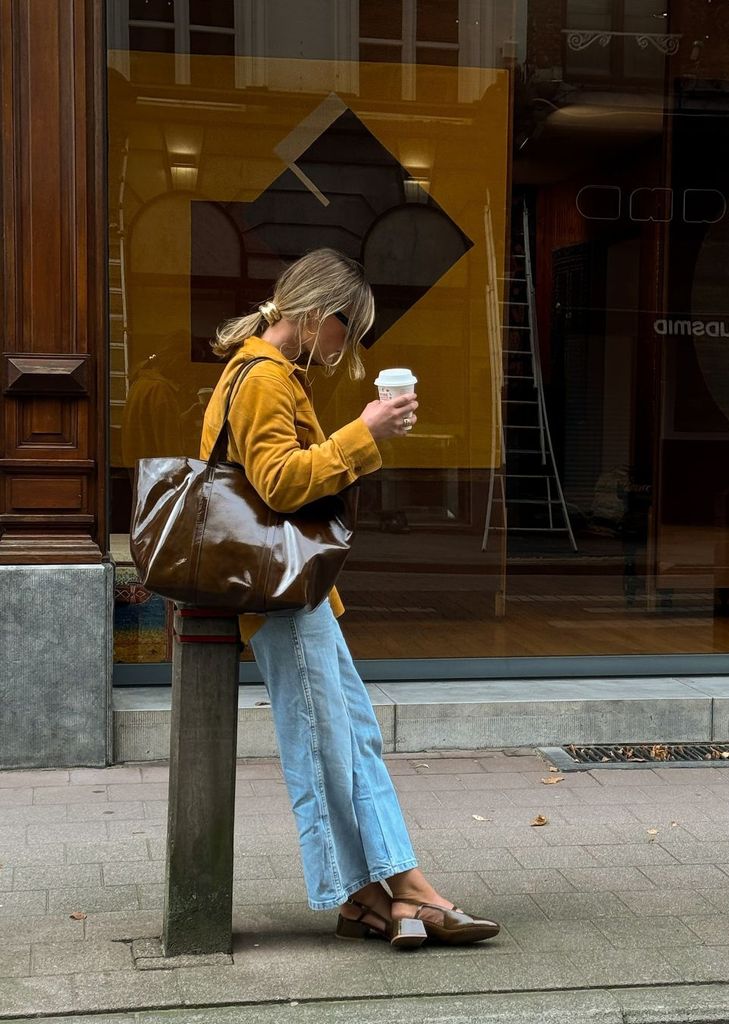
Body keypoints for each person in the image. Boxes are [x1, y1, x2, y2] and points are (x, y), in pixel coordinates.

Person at [200, 248, 499, 950]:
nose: (349, 347)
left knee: (346, 739)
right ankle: (408, 891)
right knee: (330, 746)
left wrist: (358, 437)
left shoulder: (265, 371)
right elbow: (277, 483)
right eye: (349, 330)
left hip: (295, 592)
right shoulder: (264, 378)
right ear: (318, 315)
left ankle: (372, 897)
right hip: (283, 595)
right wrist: (364, 433)